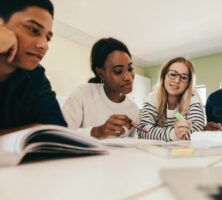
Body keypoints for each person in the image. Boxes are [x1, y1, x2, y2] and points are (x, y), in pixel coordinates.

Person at [0, 0, 67, 135]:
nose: (44, 45)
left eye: (48, 38)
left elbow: (57, 128)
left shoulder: (36, 75)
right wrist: (34, 128)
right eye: (33, 30)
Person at [62, 38, 139, 139]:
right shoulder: (83, 94)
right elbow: (60, 134)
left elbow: (133, 144)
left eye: (130, 69)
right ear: (100, 73)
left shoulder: (133, 109)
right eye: (118, 71)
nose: (128, 77)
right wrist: (97, 132)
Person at [138, 57, 206, 141]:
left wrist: (158, 133)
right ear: (164, 76)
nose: (177, 80)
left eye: (184, 77)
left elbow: (197, 132)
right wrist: (173, 134)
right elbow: (142, 130)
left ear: (188, 83)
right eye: (173, 74)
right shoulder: (152, 98)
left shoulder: (193, 99)